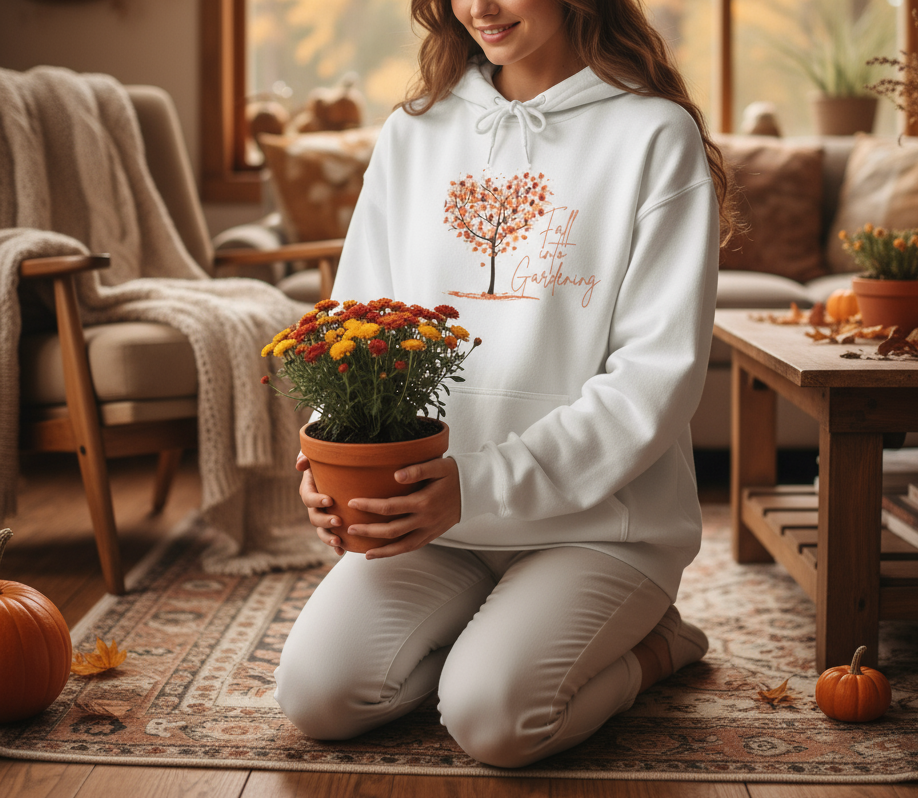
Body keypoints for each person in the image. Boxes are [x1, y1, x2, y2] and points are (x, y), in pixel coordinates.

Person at [273, 0, 735, 768]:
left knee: (494, 722)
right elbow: (353, 324)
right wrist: (332, 457)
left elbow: (657, 379)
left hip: (601, 527)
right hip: (431, 519)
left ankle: (658, 649)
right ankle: (488, 638)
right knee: (318, 697)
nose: (480, 6)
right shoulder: (414, 132)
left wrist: (480, 485)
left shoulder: (654, 134)